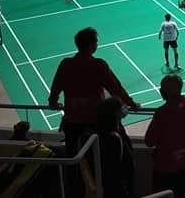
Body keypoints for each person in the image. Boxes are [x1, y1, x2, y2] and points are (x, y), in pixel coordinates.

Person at [48, 28, 140, 160]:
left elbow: (55, 88)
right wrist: (131, 103)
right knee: (99, 156)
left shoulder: (66, 64)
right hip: (95, 123)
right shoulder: (98, 65)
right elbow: (116, 89)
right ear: (91, 45)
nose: (97, 45)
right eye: (96, 42)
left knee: (74, 157)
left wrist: (53, 103)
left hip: (72, 123)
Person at [146, 74, 185, 198]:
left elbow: (149, 141)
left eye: (161, 88)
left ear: (163, 92)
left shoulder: (161, 113)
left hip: (166, 168)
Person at [94, 97, 136, 198]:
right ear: (116, 113)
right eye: (121, 106)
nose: (124, 108)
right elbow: (120, 164)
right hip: (118, 186)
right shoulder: (114, 137)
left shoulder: (100, 131)